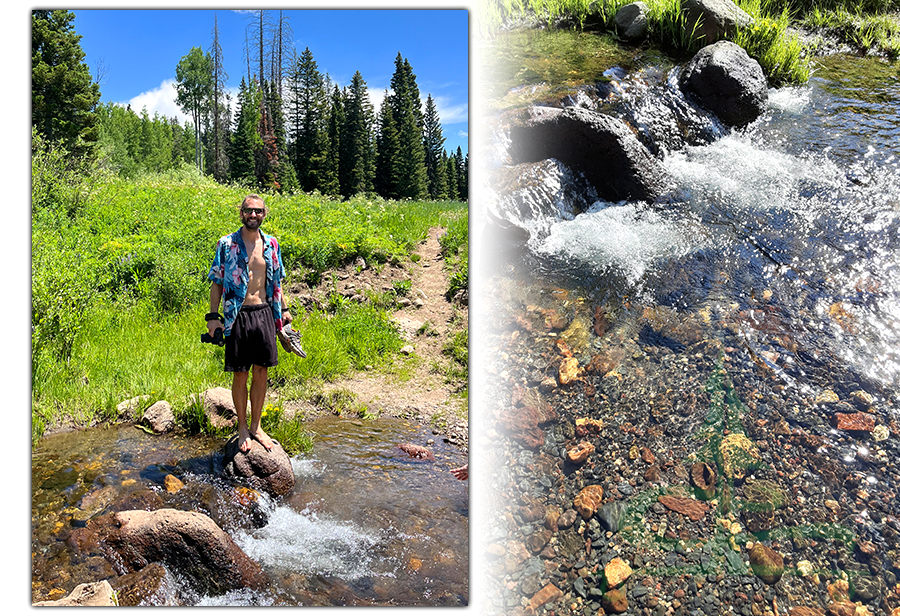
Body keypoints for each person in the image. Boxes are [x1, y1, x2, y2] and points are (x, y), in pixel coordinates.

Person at [206, 194, 292, 453]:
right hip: (237, 315)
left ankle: (256, 426)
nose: (253, 215)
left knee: (261, 372)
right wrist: (213, 318)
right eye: (248, 211)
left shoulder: (272, 244)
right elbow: (217, 283)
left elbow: (277, 282)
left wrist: (285, 310)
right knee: (240, 373)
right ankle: (242, 427)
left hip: (265, 312)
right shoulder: (226, 244)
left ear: (264, 213)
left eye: (258, 211)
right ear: (241, 213)